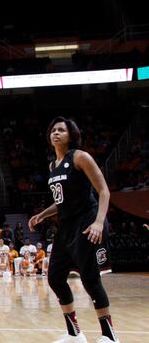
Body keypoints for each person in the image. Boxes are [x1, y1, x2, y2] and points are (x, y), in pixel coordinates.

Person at [29, 117, 119, 343]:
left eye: (61, 130)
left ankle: (109, 337)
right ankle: (74, 333)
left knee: (90, 280)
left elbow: (104, 191)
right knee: (55, 278)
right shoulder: (52, 166)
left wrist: (99, 222)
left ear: (71, 135)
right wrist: (42, 214)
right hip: (66, 225)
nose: (56, 133)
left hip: (88, 221)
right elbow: (61, 203)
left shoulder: (80, 157)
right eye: (53, 130)